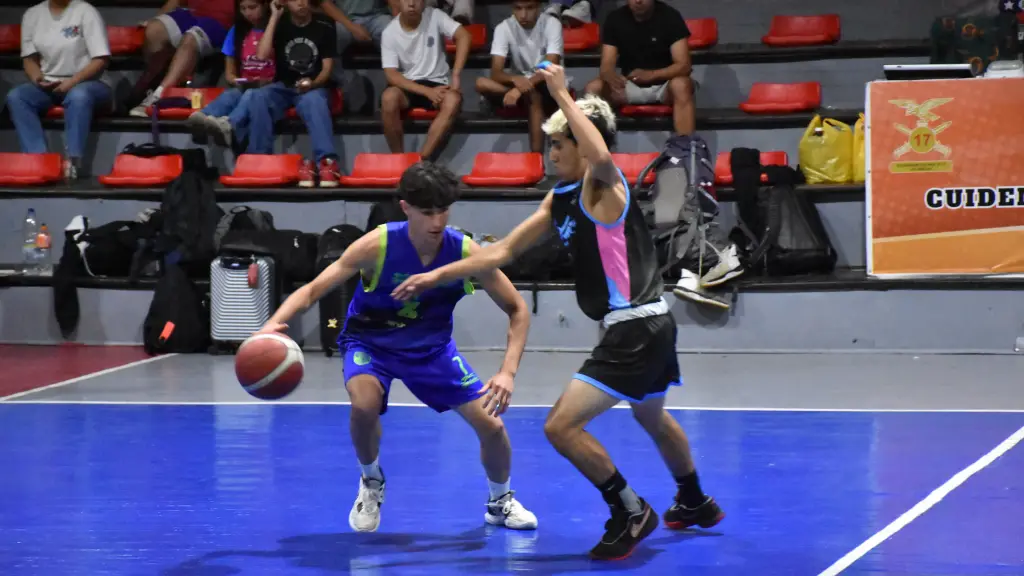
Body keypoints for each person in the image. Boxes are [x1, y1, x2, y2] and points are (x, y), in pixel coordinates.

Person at [391, 64, 724, 560]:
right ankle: (694, 499)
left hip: (633, 329)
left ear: (580, 145)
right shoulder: (560, 199)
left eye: (559, 144)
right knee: (652, 418)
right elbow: (502, 252)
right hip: (651, 327)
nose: (550, 152)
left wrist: (562, 93)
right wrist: (436, 275)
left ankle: (630, 510)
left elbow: (603, 152)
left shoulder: (603, 186)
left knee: (559, 427)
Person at [256, 161, 538, 533]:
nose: (437, 221)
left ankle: (499, 501)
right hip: (371, 344)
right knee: (363, 406)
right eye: (427, 212)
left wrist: (507, 372)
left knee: (493, 428)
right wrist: (273, 324)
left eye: (443, 210)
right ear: (405, 207)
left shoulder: (464, 251)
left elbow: (518, 308)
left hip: (431, 351)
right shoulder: (378, 245)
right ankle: (371, 481)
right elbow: (311, 291)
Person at [7, 0, 112, 181]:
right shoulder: (32, 14)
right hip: (51, 84)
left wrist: (72, 82)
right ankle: (39, 160)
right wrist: (38, 78)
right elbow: (29, 59)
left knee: (78, 96)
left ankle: (73, 162)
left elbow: (100, 59)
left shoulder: (85, 11)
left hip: (90, 82)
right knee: (17, 97)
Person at [248, 0, 341, 187]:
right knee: (258, 97)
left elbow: (327, 68)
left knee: (312, 102)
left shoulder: (324, 24)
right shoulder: (280, 23)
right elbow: (261, 55)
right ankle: (259, 159)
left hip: (315, 87)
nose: (300, 2)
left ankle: (327, 163)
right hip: (284, 86)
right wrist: (274, 16)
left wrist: (313, 83)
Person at [585, 0, 695, 135]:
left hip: (665, 86)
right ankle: (593, 148)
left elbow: (684, 65)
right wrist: (611, 76)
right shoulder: (615, 18)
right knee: (594, 88)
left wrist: (651, 75)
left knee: (681, 85)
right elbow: (606, 66)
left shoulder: (670, 16)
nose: (638, 1)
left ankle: (685, 147)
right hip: (629, 85)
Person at [379, 0, 471, 160]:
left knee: (453, 100)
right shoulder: (389, 32)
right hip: (408, 86)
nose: (412, 3)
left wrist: (455, 74)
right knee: (388, 98)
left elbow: (464, 36)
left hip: (438, 83)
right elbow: (391, 75)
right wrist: (426, 91)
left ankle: (422, 161)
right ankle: (398, 159)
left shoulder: (435, 16)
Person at [475, 0, 563, 153]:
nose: (523, 14)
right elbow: (496, 72)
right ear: (512, 8)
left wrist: (520, 88)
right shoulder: (504, 27)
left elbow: (550, 65)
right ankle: (511, 98)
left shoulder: (552, 24)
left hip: (548, 84)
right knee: (481, 82)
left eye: (529, 8)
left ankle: (536, 159)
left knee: (533, 96)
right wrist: (515, 80)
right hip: (520, 82)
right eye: (518, 8)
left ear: (539, 7)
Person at [186, 0, 274, 148]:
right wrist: (237, 80)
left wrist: (267, 81)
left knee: (251, 94)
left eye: (252, 7)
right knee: (231, 94)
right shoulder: (237, 31)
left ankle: (229, 125)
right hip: (247, 85)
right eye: (243, 9)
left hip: (270, 87)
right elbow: (229, 73)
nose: (248, 13)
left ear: (265, 5)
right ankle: (202, 118)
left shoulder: (277, 30)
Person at [127, 0, 235, 116]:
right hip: (193, 15)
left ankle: (159, 97)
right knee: (154, 29)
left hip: (222, 22)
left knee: (190, 39)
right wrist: (154, 19)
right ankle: (147, 84)